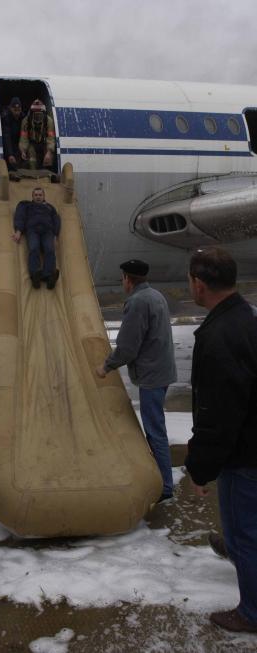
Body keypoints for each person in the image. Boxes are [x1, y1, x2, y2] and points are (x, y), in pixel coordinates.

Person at [185, 246, 257, 634]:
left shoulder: (219, 336)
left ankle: (252, 613)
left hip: (244, 457)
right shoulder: (247, 318)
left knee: (244, 533)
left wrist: (200, 468)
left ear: (199, 284)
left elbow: (219, 415)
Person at [96, 259, 177, 501]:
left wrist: (105, 366)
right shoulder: (155, 295)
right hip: (162, 370)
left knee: (154, 431)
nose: (122, 282)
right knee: (156, 428)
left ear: (128, 279)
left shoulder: (137, 302)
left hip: (152, 374)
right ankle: (165, 481)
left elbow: (128, 346)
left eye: (122, 278)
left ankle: (165, 487)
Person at [12, 187, 61, 289]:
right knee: (34, 248)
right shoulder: (27, 205)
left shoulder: (50, 207)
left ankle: (48, 276)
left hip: (47, 231)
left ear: (44, 196)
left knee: (50, 250)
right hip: (32, 230)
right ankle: (35, 274)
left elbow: (56, 220)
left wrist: (56, 235)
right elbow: (20, 217)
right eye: (36, 195)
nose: (38, 197)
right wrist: (18, 231)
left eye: (40, 195)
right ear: (32, 196)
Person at [19, 99, 56, 170]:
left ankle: (47, 176)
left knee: (49, 158)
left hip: (44, 143)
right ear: (31, 114)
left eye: (40, 115)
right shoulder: (26, 121)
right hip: (32, 143)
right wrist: (23, 151)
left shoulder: (49, 121)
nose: (38, 117)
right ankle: (33, 175)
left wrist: (49, 152)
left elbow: (50, 138)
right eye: (36, 115)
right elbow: (23, 138)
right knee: (31, 159)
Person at [1, 96, 25, 173]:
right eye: (15, 110)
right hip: (8, 145)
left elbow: (24, 136)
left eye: (19, 110)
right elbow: (6, 136)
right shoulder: (6, 118)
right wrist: (10, 154)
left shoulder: (23, 118)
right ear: (10, 108)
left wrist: (23, 150)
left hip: (18, 144)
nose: (17, 112)